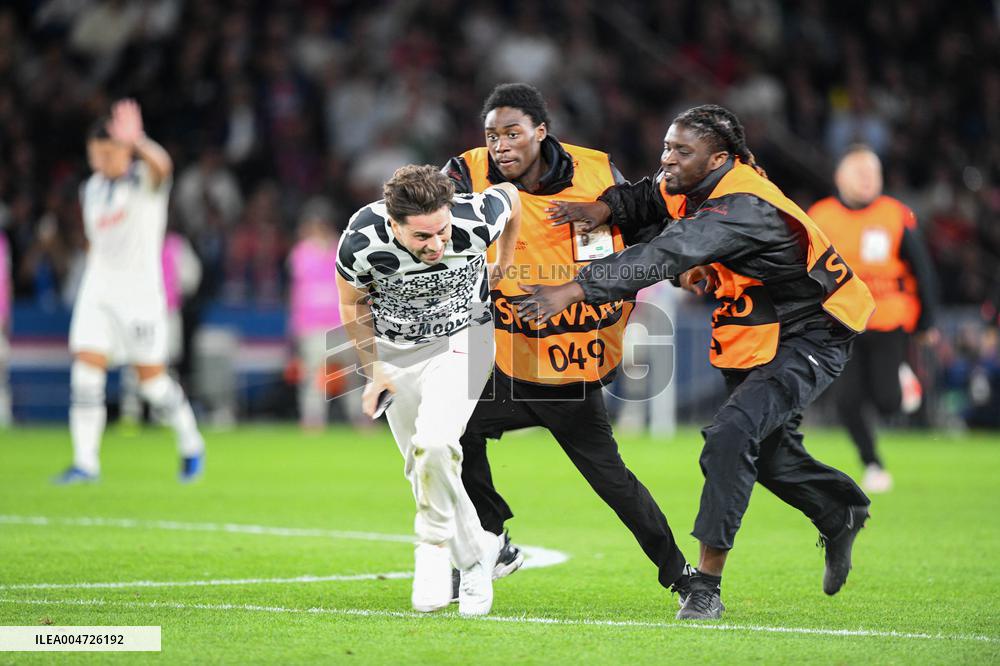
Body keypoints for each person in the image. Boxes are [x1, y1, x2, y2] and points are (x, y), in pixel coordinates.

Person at [518, 104, 875, 620]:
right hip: (755, 328)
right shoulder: (697, 182)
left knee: (731, 434)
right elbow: (646, 197)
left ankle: (705, 585)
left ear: (719, 160)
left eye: (682, 151)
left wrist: (575, 288)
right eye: (666, 146)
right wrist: (606, 209)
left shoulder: (745, 204)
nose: (667, 160)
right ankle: (838, 510)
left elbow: (669, 251)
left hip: (814, 328)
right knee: (769, 458)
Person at [442, 83, 694, 605]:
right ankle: (494, 538)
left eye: (513, 133)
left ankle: (682, 575)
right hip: (506, 362)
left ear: (541, 131)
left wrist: (687, 273)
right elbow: (431, 224)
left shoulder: (599, 175)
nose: (501, 146)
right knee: (448, 430)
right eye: (492, 135)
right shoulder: (466, 174)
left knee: (613, 483)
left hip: (572, 368)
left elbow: (656, 228)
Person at [335, 164, 521, 616]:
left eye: (441, 231)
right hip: (397, 352)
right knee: (424, 465)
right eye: (421, 238)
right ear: (392, 223)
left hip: (465, 341)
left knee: (436, 443)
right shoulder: (361, 240)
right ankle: (479, 555)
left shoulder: (475, 217)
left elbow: (511, 196)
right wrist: (374, 370)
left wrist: (506, 262)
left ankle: (433, 548)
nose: (436, 245)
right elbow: (350, 303)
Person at [56, 99, 205, 484]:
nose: (102, 161)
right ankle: (85, 462)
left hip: (140, 296)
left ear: (125, 151)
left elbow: (163, 167)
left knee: (152, 382)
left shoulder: (144, 182)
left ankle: (190, 440)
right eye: (96, 154)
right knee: (85, 373)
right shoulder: (90, 189)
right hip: (97, 293)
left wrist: (139, 141)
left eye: (110, 152)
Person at [808, 146, 938, 493]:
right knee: (846, 399)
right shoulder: (821, 217)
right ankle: (872, 462)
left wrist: (927, 322)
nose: (867, 179)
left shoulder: (895, 215)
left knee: (887, 400)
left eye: (873, 172)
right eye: (859, 172)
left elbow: (922, 270)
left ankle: (901, 381)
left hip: (888, 320)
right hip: (841, 323)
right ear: (840, 177)